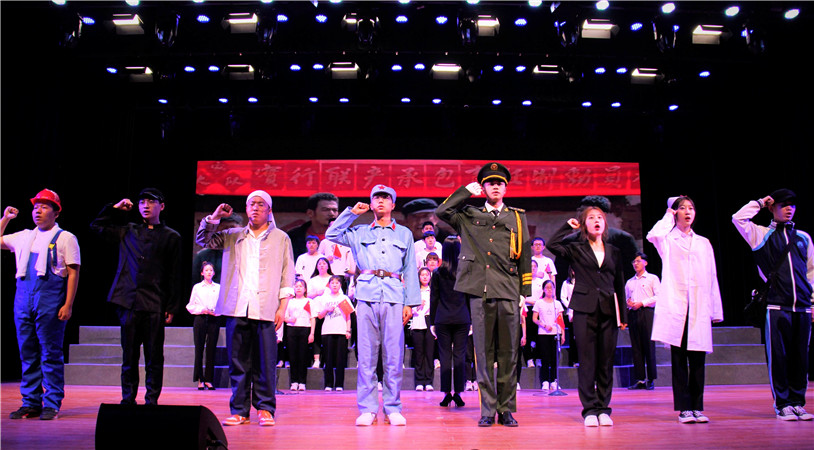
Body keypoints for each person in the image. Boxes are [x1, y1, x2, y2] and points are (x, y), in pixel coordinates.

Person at [436, 162, 532, 428]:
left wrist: (524, 292)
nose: (495, 186)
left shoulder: (517, 217)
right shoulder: (469, 215)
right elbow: (442, 211)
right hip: (480, 290)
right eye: (490, 183)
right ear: (483, 188)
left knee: (509, 353)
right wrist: (465, 192)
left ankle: (506, 408)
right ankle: (488, 409)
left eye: (500, 183)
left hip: (509, 289)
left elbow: (524, 254)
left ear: (506, 188)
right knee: (484, 353)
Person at [196, 189, 295, 427]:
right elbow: (203, 240)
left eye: (261, 204)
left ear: (269, 210)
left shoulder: (281, 238)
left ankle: (265, 408)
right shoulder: (233, 235)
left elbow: (287, 274)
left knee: (265, 362)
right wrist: (215, 217)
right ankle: (240, 410)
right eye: (251, 204)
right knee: (238, 362)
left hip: (266, 308)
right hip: (237, 308)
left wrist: (282, 308)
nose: (255, 208)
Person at [326, 184, 420, 427]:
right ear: (370, 203)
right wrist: (351, 213)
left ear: (393, 204)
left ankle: (392, 407)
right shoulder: (358, 231)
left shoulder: (404, 234)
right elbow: (331, 234)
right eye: (376, 197)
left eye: (385, 198)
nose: (380, 201)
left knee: (393, 354)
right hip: (367, 294)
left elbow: (410, 268)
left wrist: (410, 302)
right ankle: (368, 408)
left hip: (394, 295)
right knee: (367, 354)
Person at [90, 188, 181, 406]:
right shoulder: (128, 231)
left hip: (155, 303)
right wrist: (114, 208)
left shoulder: (171, 237)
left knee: (154, 357)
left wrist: (172, 306)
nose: (145, 206)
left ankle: (151, 401)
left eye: (151, 202)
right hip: (128, 301)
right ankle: (128, 399)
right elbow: (97, 226)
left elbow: (175, 274)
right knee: (129, 356)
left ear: (162, 206)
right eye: (142, 202)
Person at [732, 189, 813, 421]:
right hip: (776, 306)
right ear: (772, 207)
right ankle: (783, 404)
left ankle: (798, 403)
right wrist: (760, 202)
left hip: (803, 307)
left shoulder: (803, 238)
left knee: (801, 358)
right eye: (783, 204)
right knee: (778, 357)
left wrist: (813, 302)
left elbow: (811, 272)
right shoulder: (761, 234)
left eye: (792, 205)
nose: (789, 209)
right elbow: (738, 218)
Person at [2, 189, 80, 420]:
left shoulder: (66, 238)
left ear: (56, 213)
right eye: (36, 207)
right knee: (27, 350)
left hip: (50, 298)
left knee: (50, 351)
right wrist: (5, 218)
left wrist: (68, 304)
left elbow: (73, 273)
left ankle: (52, 402)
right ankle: (31, 402)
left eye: (44, 207)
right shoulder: (24, 236)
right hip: (23, 298)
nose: (38, 211)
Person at [547, 204, 627, 427]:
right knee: (587, 361)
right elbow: (553, 244)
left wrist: (623, 316)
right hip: (584, 309)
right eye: (591, 218)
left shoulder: (614, 251)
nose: (596, 220)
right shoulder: (576, 248)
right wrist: (567, 227)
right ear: (584, 224)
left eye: (599, 217)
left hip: (609, 310)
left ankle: (604, 408)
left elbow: (619, 283)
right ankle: (590, 409)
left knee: (606, 361)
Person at [647, 195, 723, 424]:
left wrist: (715, 309)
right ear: (675, 213)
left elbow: (712, 275)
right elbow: (653, 235)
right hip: (677, 307)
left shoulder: (704, 243)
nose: (688, 212)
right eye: (682, 208)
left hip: (699, 306)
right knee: (679, 359)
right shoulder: (668, 240)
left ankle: (697, 407)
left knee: (698, 360)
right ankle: (684, 409)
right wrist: (668, 215)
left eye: (691, 208)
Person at [429, 236, 469, 408]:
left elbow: (434, 298)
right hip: (462, 318)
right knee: (460, 356)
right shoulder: (465, 272)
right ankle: (458, 393)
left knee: (445, 356)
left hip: (443, 318)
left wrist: (432, 321)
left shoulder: (438, 273)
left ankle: (446, 393)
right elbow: (469, 298)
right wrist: (471, 319)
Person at [625, 251, 660, 390]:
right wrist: (628, 303)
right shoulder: (630, 282)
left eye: (638, 261)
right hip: (633, 314)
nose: (635, 264)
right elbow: (626, 298)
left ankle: (650, 379)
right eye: (634, 261)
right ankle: (639, 379)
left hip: (647, 313)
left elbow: (659, 296)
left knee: (649, 346)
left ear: (645, 262)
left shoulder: (652, 278)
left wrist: (642, 303)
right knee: (636, 347)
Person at [186, 261, 221, 390]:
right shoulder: (197, 287)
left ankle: (209, 379)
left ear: (214, 273)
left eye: (211, 270)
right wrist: (202, 309)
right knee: (199, 348)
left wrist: (215, 311)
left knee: (211, 349)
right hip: (200, 318)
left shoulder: (218, 287)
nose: (209, 272)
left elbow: (222, 304)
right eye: (206, 270)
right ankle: (200, 379)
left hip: (214, 319)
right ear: (202, 273)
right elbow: (190, 305)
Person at [314, 275, 353, 391]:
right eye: (332, 283)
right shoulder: (324, 298)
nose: (335, 285)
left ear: (340, 285)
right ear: (329, 285)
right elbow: (319, 316)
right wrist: (326, 310)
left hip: (341, 331)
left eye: (337, 283)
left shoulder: (343, 298)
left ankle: (339, 384)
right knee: (328, 359)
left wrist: (348, 330)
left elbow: (348, 316)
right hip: (327, 331)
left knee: (340, 359)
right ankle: (329, 384)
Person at [532, 280, 565, 391]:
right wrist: (544, 325)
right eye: (547, 288)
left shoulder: (557, 303)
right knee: (545, 357)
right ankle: (545, 381)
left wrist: (563, 334)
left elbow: (561, 320)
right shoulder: (539, 303)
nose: (549, 290)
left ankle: (554, 381)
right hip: (543, 333)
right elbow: (534, 318)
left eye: (551, 288)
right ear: (543, 289)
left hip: (555, 333)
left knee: (555, 358)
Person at [286, 192, 339, 258]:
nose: (331, 214)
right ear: (310, 213)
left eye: (334, 210)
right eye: (325, 210)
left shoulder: (345, 236)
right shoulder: (293, 237)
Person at [284, 278, 314, 391]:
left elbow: (313, 318)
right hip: (292, 329)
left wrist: (312, 333)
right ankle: (294, 382)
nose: (298, 288)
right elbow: (284, 317)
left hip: (305, 329)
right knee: (293, 356)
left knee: (303, 356)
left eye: (301, 286)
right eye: (296, 286)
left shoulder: (309, 301)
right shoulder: (290, 301)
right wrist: (289, 319)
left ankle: (302, 382)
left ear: (305, 289)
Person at [411, 267, 435, 391]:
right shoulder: (415, 292)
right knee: (419, 354)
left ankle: (429, 381)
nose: (425, 277)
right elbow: (410, 309)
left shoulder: (433, 291)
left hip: (430, 322)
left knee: (429, 354)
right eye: (422, 275)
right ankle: (419, 381)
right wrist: (418, 305)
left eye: (427, 275)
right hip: (418, 323)